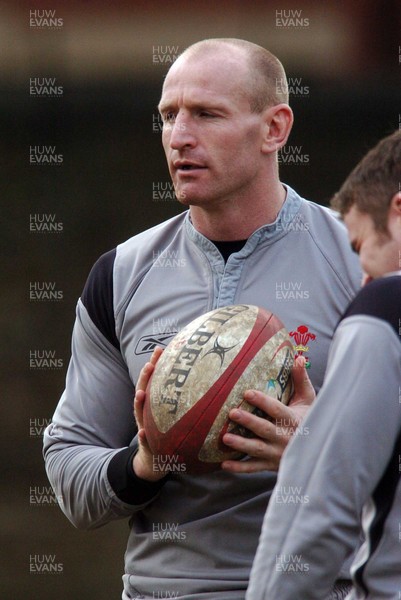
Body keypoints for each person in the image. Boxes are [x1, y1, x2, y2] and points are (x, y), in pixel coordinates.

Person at [43, 38, 361, 600]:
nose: (179, 137)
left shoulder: (362, 261)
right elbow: (70, 465)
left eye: (207, 115)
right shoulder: (120, 274)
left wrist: (322, 449)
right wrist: (145, 460)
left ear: (275, 129)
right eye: (169, 117)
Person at [246, 129, 401, 600]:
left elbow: (318, 509)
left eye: (359, 247)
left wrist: (318, 441)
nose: (363, 277)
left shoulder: (384, 306)